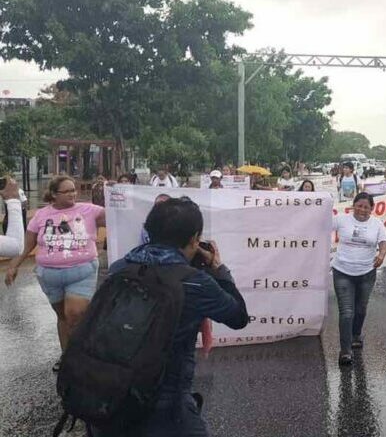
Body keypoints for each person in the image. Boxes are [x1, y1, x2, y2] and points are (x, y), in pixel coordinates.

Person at [89, 198, 249, 437]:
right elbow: (238, 316)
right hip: (166, 404)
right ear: (195, 238)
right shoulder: (195, 281)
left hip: (109, 393)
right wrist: (218, 268)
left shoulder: (120, 267)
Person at [4, 176, 105, 372]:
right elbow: (28, 244)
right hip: (49, 276)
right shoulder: (41, 215)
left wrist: (116, 196)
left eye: (73, 190)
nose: (72, 194)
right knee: (63, 317)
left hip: (82, 272)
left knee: (74, 314)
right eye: (67, 191)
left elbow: (119, 217)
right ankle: (66, 356)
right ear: (53, 194)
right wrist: (14, 266)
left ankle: (83, 355)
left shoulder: (90, 210)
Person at [332, 192, 386, 366]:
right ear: (353, 205)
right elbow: (318, 223)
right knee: (347, 311)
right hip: (342, 271)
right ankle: (346, 350)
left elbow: (384, 242)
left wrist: (382, 254)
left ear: (372, 209)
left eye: (366, 207)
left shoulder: (377, 224)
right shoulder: (341, 220)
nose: (362, 210)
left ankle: (356, 334)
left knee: (361, 309)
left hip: (366, 273)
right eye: (359, 205)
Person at [0, 178, 25, 258]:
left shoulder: (19, 191)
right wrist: (12, 200)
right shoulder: (14, 191)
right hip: (13, 213)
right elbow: (16, 247)